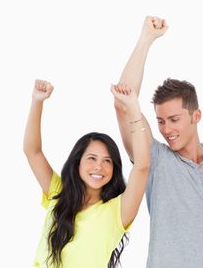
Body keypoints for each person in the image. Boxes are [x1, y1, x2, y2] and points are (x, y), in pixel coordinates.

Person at [114, 17, 203, 268]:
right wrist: (145, 39)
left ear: (197, 116)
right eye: (160, 121)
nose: (166, 130)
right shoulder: (155, 160)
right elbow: (122, 103)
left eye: (173, 119)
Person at [24, 80, 150, 267]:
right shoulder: (59, 193)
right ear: (78, 163)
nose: (99, 167)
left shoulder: (118, 211)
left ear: (114, 168)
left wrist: (133, 108)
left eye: (107, 161)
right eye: (91, 158)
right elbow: (32, 151)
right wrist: (37, 101)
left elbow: (142, 167)